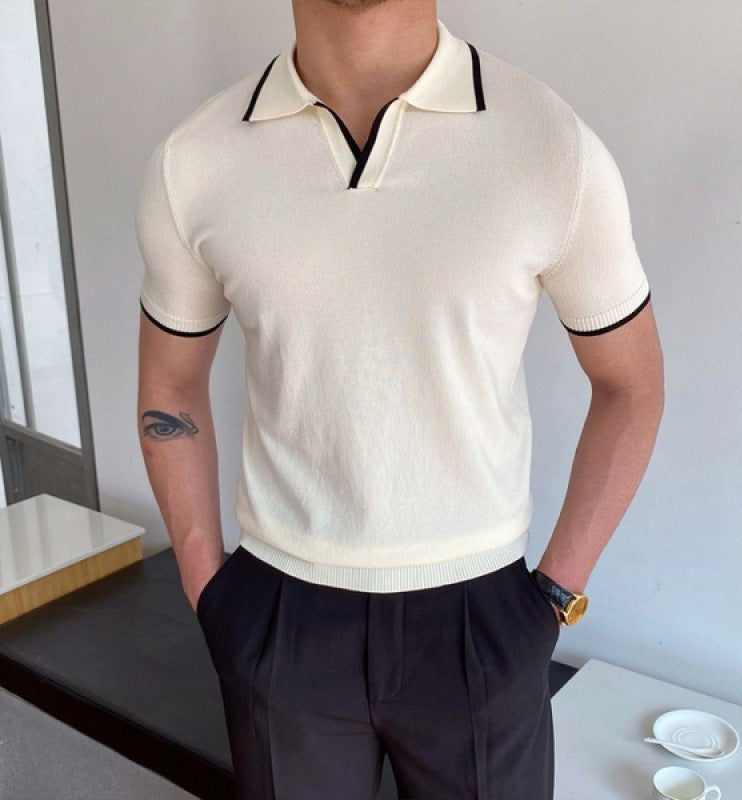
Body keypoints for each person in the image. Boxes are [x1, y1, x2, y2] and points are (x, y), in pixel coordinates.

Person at [135, 0, 664, 797]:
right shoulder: (194, 161)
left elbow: (632, 385)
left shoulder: (550, 145)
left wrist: (556, 595)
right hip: (281, 607)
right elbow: (170, 386)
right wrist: (209, 586)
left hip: (481, 614)